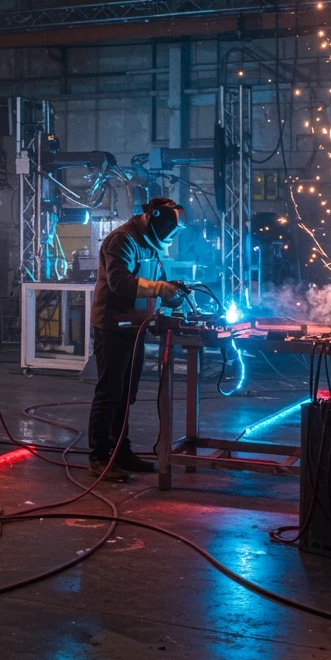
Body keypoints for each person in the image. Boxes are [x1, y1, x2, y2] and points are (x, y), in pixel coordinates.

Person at [87, 197, 188, 481]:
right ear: (152, 219)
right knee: (110, 393)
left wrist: (173, 295)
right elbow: (120, 282)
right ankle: (99, 457)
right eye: (167, 229)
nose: (169, 237)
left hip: (135, 327)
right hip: (113, 327)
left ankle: (121, 451)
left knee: (126, 394)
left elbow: (158, 279)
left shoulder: (150, 244)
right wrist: (160, 289)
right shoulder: (122, 240)